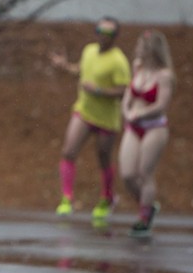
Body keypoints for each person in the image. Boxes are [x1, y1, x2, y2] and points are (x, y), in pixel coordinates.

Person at [50, 17, 131, 220]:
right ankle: (66, 199)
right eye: (100, 31)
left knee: (103, 157)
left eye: (108, 34)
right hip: (84, 111)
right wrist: (64, 66)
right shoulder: (89, 51)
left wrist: (99, 90)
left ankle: (107, 198)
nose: (103, 37)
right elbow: (81, 70)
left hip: (106, 117)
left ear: (115, 37)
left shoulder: (118, 61)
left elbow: (124, 90)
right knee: (68, 151)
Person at [119, 30, 175, 238]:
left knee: (145, 172)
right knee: (127, 175)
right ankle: (147, 205)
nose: (137, 49)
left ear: (151, 49)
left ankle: (143, 218)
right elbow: (128, 94)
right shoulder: (138, 67)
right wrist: (126, 111)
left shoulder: (165, 75)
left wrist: (141, 112)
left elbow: (161, 105)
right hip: (134, 126)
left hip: (154, 126)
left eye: (141, 46)